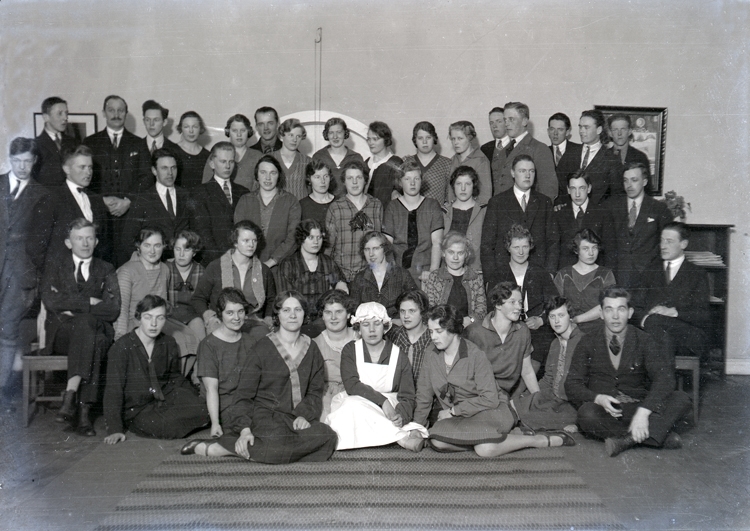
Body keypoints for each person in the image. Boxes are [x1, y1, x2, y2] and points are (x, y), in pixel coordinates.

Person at [181, 291, 338, 464]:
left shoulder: (312, 348)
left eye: (298, 310)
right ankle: (231, 447)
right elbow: (243, 395)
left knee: (328, 436)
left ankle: (236, 448)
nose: (292, 315)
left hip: (294, 418)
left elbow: (315, 391)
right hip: (265, 417)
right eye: (286, 310)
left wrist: (303, 415)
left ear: (304, 313)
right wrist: (244, 430)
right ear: (277, 314)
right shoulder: (262, 348)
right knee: (278, 442)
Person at [412, 304, 575, 456]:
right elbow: (424, 394)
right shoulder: (430, 354)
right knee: (437, 441)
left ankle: (538, 440)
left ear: (453, 330)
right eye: (431, 331)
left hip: (492, 410)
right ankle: (495, 438)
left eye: (438, 331)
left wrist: (453, 411)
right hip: (461, 418)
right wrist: (417, 427)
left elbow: (489, 399)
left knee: (485, 449)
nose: (433, 337)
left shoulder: (475, 355)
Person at [565, 287, 691, 457]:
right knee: (586, 414)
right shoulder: (587, 341)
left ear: (630, 313)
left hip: (637, 406)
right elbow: (572, 384)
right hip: (605, 410)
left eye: (621, 309)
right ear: (601, 313)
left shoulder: (644, 340)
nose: (615, 316)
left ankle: (626, 440)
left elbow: (665, 378)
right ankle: (657, 435)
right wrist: (598, 398)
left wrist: (644, 411)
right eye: (609, 309)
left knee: (681, 399)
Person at [41, 219, 121, 436]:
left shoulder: (106, 268)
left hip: (94, 331)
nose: (85, 243)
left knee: (90, 332)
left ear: (96, 242)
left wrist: (71, 306)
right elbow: (50, 301)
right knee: (92, 335)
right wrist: (88, 303)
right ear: (69, 243)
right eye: (79, 238)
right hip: (62, 334)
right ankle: (84, 414)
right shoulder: (56, 265)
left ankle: (71, 398)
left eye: (89, 238)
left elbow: (113, 309)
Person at [103, 295, 208, 444]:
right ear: (138, 318)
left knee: (205, 408)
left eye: (160, 318)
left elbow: (175, 378)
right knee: (169, 426)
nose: (154, 324)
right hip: (138, 409)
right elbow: (113, 389)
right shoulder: (121, 347)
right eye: (148, 317)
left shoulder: (168, 342)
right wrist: (115, 429)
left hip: (165, 399)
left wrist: (194, 399)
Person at [325, 302, 427, 451]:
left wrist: (401, 415)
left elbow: (407, 395)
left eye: (377, 324)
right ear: (358, 328)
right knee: (351, 405)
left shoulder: (398, 355)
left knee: (353, 413)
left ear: (385, 327)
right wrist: (382, 402)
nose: (371, 330)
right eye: (366, 324)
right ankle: (402, 438)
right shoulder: (351, 350)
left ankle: (392, 430)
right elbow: (352, 385)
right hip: (359, 400)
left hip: (391, 407)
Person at [0, 138, 53, 401]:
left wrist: (34, 274)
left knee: (8, 329)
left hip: (22, 274)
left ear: (34, 161)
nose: (22, 167)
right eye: (18, 161)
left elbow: (43, 242)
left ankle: (1, 392)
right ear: (10, 159)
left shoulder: (42, 194)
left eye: (27, 161)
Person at [83, 95, 147, 265]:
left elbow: (146, 177)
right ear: (104, 113)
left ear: (126, 113)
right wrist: (100, 200)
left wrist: (128, 200)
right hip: (99, 214)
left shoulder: (139, 143)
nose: (116, 114)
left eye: (121, 110)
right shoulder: (90, 142)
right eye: (111, 110)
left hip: (129, 215)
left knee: (128, 259)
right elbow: (83, 179)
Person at [191, 220, 276, 342]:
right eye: (246, 240)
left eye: (254, 240)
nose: (251, 245)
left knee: (265, 343)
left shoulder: (264, 270)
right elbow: (198, 298)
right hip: (222, 321)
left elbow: (271, 299)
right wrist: (209, 317)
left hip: (253, 322)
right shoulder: (216, 267)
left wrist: (268, 318)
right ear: (235, 242)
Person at [481, 154, 557, 288]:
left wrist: (549, 273)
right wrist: (490, 279)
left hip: (538, 276)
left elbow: (553, 241)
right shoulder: (497, 202)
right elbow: (487, 245)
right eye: (522, 171)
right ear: (512, 173)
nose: (527, 175)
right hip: (503, 276)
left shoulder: (544, 202)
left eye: (531, 171)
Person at [637, 223, 710, 361]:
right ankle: (664, 375)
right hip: (653, 331)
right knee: (656, 331)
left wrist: (674, 312)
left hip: (686, 337)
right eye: (661, 241)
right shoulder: (649, 271)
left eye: (669, 241)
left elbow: (702, 315)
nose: (663, 246)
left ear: (683, 244)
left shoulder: (697, 274)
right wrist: (646, 318)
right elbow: (636, 306)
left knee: (654, 327)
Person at [196, 288, 258, 438]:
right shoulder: (208, 345)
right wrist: (215, 423)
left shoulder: (250, 341)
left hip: (246, 400)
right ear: (220, 314)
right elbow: (211, 389)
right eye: (230, 313)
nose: (236, 318)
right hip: (224, 403)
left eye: (240, 311)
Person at [494, 224, 557, 369]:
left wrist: (541, 320)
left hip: (536, 329)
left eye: (525, 247)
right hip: (507, 328)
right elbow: (493, 307)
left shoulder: (540, 272)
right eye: (516, 247)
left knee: (541, 347)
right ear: (508, 248)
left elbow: (554, 302)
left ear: (531, 247)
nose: (521, 252)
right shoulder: (499, 274)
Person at [602, 161, 672, 292]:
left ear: (644, 181)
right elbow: (608, 243)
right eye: (625, 180)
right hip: (618, 275)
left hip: (648, 277)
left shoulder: (659, 209)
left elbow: (665, 244)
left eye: (634, 180)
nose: (629, 185)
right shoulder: (611, 207)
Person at [514, 297, 580, 432]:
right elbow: (548, 378)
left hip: (572, 403)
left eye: (561, 315)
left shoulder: (583, 341)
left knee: (526, 416)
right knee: (513, 406)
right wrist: (529, 396)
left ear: (571, 317)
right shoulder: (555, 343)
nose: (556, 321)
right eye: (552, 316)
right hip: (553, 398)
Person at [464, 282, 539, 399]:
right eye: (512, 302)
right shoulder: (474, 331)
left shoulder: (523, 330)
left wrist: (538, 398)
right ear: (498, 305)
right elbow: (463, 373)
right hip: (476, 393)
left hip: (503, 394)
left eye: (520, 302)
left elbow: (527, 371)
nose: (518, 307)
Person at [277, 219, 347, 334]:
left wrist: (340, 285)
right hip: (297, 320)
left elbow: (339, 285)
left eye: (319, 237)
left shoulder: (327, 262)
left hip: (323, 321)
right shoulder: (289, 264)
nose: (316, 242)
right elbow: (285, 300)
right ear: (301, 239)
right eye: (311, 237)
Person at [46, 145, 111, 268]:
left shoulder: (97, 199)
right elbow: (38, 246)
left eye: (90, 167)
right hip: (62, 273)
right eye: (82, 167)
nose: (88, 172)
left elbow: (105, 242)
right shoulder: (52, 199)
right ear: (66, 169)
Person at [122, 148, 192, 261]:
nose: (170, 173)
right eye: (164, 168)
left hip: (182, 264)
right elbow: (128, 239)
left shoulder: (187, 195)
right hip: (153, 265)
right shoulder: (142, 199)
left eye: (173, 168)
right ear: (154, 170)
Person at [234, 154, 301, 268]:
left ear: (279, 176)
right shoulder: (245, 200)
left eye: (273, 173)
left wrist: (271, 262)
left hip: (280, 266)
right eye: (263, 172)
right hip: (248, 265)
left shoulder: (291, 201)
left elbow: (293, 238)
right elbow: (238, 235)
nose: (268, 178)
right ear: (257, 175)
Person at [383, 159, 444, 284]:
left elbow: (437, 243)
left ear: (421, 181)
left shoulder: (432, 205)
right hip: (399, 271)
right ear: (400, 182)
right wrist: (391, 272)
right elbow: (387, 244)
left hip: (425, 272)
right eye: (407, 179)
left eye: (416, 179)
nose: (412, 183)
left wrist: (433, 273)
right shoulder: (392, 207)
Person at [190, 141, 250, 265]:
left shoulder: (244, 192)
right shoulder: (200, 192)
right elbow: (203, 233)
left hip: (242, 261)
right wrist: (221, 264)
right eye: (223, 161)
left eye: (231, 161)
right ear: (212, 163)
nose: (228, 166)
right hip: (214, 262)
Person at [325, 160, 383, 282]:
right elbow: (328, 248)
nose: (354, 182)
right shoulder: (336, 208)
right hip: (342, 277)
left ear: (365, 180)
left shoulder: (376, 205)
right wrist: (335, 280)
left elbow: (381, 244)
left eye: (359, 177)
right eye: (350, 178)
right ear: (344, 181)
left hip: (370, 276)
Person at [553, 229, 616, 334]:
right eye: (585, 248)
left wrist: (577, 319)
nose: (591, 253)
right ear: (576, 250)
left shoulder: (606, 274)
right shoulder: (563, 274)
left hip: (598, 331)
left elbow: (607, 305)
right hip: (568, 331)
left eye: (594, 248)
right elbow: (555, 305)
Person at [556, 109, 622, 207]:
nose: (581, 131)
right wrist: (560, 203)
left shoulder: (611, 159)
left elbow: (616, 195)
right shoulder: (570, 153)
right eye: (580, 127)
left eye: (586, 127)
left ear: (599, 130)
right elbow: (559, 185)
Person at [495, 102, 557, 201]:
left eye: (511, 119)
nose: (506, 124)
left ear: (524, 121)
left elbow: (548, 190)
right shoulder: (503, 150)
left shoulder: (539, 149)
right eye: (505, 119)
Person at [423, 232, 486, 327]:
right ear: (443, 253)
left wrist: (470, 320)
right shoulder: (435, 277)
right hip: (442, 327)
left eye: (460, 253)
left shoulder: (475, 277)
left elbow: (482, 309)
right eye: (451, 252)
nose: (455, 257)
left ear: (466, 254)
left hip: (468, 327)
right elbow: (430, 308)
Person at [349, 231, 418, 319]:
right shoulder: (359, 278)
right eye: (367, 249)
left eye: (376, 248)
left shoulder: (402, 274)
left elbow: (416, 302)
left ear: (385, 249)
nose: (371, 254)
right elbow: (354, 310)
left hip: (397, 324)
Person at [312, 290, 358, 421]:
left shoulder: (361, 337)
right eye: (328, 312)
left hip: (357, 394)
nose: (333, 317)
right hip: (327, 397)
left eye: (339, 312)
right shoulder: (315, 344)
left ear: (348, 314)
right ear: (322, 316)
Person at [166, 230, 206, 378]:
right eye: (178, 249)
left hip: (192, 315)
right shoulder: (166, 268)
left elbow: (203, 301)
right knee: (181, 340)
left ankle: (198, 375)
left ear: (194, 252)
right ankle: (179, 377)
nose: (181, 254)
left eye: (187, 250)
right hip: (170, 316)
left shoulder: (201, 272)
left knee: (201, 334)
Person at [551, 170, 608, 270]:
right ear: (568, 190)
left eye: (582, 188)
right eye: (573, 188)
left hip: (594, 272)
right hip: (567, 272)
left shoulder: (602, 213)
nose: (577, 194)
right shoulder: (559, 214)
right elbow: (554, 248)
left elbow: (608, 250)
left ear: (589, 188)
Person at [201, 114, 262, 191]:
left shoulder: (257, 156)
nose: (239, 134)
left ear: (249, 131)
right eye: (235, 131)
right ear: (228, 132)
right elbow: (205, 187)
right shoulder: (216, 154)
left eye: (243, 130)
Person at [442, 166, 486, 270]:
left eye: (468, 184)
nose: (463, 188)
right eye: (458, 184)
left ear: (474, 186)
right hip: (447, 271)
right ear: (453, 186)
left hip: (476, 271)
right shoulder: (443, 212)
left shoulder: (484, 211)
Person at [386, 290, 433, 386]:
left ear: (422, 312)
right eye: (402, 311)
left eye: (412, 311)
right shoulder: (394, 335)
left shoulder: (432, 338)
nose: (406, 316)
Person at [402, 121, 451, 205]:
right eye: (420, 138)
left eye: (428, 137)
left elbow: (450, 198)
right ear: (415, 140)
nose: (424, 142)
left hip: (436, 212)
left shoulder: (447, 164)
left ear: (434, 138)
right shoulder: (406, 162)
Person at [33, 96, 77, 187]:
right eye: (60, 113)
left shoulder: (74, 143)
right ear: (46, 117)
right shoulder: (35, 145)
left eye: (66, 113)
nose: (65, 118)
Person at [446, 121, 492, 206]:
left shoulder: (481, 160)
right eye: (453, 139)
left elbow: (485, 196)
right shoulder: (452, 160)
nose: (455, 142)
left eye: (460, 138)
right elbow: (449, 191)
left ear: (470, 138)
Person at [312, 117, 364, 185]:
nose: (335, 136)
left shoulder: (356, 157)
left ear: (345, 133)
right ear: (326, 134)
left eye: (339, 132)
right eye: (331, 133)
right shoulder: (318, 156)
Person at [139, 100, 180, 184]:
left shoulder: (175, 149)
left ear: (164, 122)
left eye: (156, 120)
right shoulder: (133, 147)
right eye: (147, 120)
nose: (151, 124)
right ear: (144, 121)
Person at [364, 121, 403, 211]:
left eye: (375, 139)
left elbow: (401, 190)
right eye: (369, 139)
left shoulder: (396, 162)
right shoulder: (365, 163)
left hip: (385, 213)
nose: (371, 143)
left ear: (385, 139)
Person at [607, 113, 652, 188]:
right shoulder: (602, 157)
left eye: (623, 129)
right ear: (610, 133)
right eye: (615, 130)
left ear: (629, 131)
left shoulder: (641, 157)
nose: (619, 133)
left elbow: (647, 189)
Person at [273, 118, 311, 200]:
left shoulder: (308, 161)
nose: (294, 140)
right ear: (281, 136)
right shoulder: (269, 159)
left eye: (298, 136)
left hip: (301, 206)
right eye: (291, 135)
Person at [547, 112, 583, 198]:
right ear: (548, 131)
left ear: (567, 132)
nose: (555, 133)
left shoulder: (579, 150)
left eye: (560, 129)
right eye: (552, 129)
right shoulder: (544, 151)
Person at [174, 111, 211, 189]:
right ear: (181, 128)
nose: (191, 131)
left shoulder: (207, 155)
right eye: (186, 127)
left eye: (195, 127)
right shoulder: (172, 151)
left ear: (200, 128)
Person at [480, 107, 511, 192]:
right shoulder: (485, 149)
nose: (494, 126)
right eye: (491, 123)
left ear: (507, 123)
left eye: (499, 121)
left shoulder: (517, 146)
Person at [299, 159, 336, 226]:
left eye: (326, 176)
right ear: (309, 179)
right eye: (317, 177)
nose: (323, 181)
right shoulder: (302, 206)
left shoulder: (339, 202)